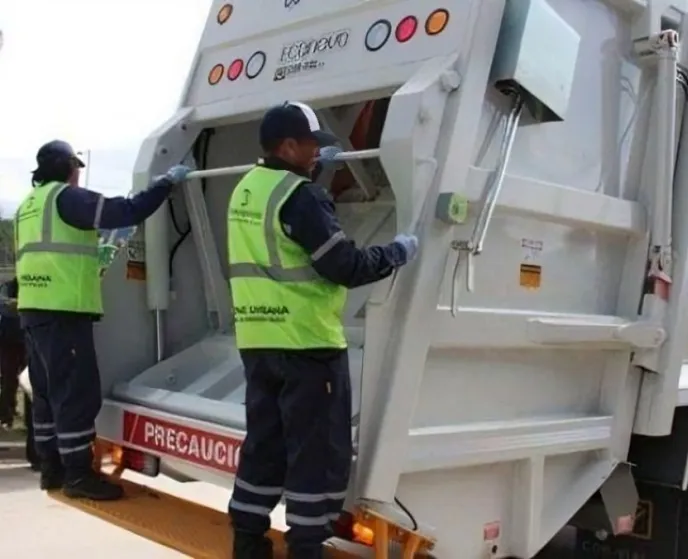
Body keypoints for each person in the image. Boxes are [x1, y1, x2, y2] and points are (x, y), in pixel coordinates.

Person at [226, 101, 418, 559]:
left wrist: (314, 178)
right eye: (313, 145)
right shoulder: (301, 196)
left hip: (258, 341)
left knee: (265, 445)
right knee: (316, 454)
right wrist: (397, 252)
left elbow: (283, 231)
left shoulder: (246, 190)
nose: (318, 153)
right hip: (307, 345)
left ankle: (248, 542)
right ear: (288, 145)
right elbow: (344, 265)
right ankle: (307, 548)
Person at [15, 139, 191, 500]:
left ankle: (53, 470)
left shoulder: (28, 206)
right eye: (76, 168)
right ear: (69, 168)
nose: (79, 173)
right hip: (63, 313)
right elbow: (125, 211)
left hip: (33, 311)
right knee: (76, 396)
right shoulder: (66, 198)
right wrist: (166, 184)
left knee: (48, 397)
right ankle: (79, 476)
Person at [0, 277, 24, 430]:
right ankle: (6, 414)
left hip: (20, 340)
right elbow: (5, 306)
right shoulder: (7, 287)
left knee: (13, 380)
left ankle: (8, 413)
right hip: (10, 340)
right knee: (9, 380)